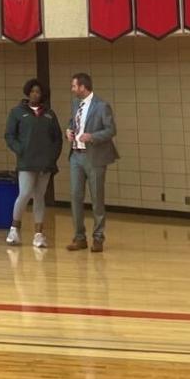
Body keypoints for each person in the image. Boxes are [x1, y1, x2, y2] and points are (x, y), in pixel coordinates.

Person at [3, 79, 62, 249]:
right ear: (28, 93)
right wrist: (20, 149)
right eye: (33, 91)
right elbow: (9, 135)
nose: (36, 94)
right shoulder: (17, 112)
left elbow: (57, 139)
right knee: (25, 193)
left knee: (39, 196)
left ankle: (38, 234)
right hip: (26, 161)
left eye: (39, 92)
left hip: (45, 163)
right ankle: (14, 229)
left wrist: (52, 157)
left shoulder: (50, 114)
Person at [65, 73, 119, 253]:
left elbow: (111, 130)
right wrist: (68, 130)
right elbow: (74, 121)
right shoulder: (75, 104)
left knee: (97, 198)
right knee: (75, 196)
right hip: (76, 155)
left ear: (82, 87)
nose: (72, 90)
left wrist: (92, 136)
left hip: (94, 157)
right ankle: (79, 237)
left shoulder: (102, 106)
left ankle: (98, 238)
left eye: (74, 86)